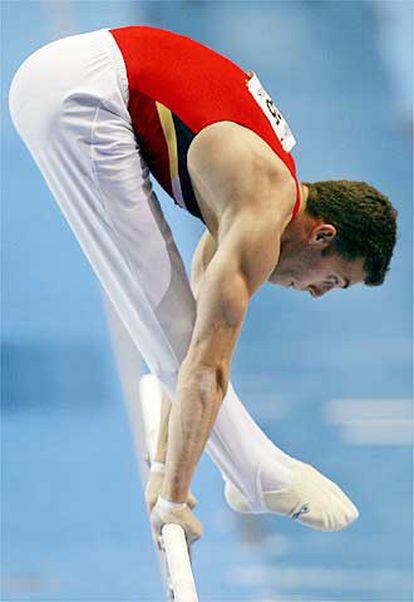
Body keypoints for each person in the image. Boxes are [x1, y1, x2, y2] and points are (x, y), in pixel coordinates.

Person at [8, 25, 397, 547]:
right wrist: (172, 500)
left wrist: (167, 461)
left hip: (74, 73)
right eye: (333, 280)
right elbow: (202, 367)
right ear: (322, 235)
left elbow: (190, 348)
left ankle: (249, 472)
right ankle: (257, 474)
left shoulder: (243, 204)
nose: (317, 292)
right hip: (80, 93)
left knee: (174, 318)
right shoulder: (261, 208)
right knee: (159, 307)